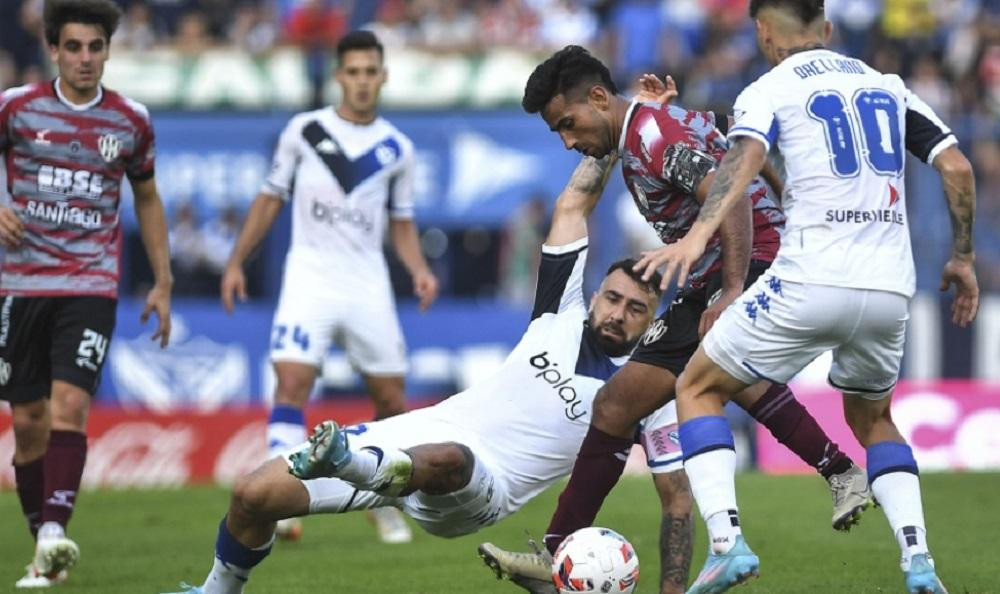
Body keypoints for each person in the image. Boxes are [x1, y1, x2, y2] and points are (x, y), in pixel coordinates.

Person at [170, 154, 690, 594]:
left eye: (636, 309)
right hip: (418, 432)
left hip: (479, 488)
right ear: (595, 296)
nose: (619, 313)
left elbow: (677, 501)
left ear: (651, 320)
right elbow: (574, 204)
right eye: (614, 299)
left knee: (451, 459)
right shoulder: (560, 311)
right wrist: (615, 138)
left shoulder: (645, 390)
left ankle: (349, 463)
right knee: (253, 495)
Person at [482, 45, 869, 594]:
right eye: (557, 133)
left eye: (568, 124)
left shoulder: (651, 137)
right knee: (721, 382)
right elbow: (739, 141)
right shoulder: (654, 123)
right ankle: (840, 473)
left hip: (741, 267)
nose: (569, 142)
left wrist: (733, 288)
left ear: (599, 98)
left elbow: (728, 197)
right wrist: (791, 207)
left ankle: (564, 552)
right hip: (743, 262)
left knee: (619, 404)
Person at [639, 1, 978, 593]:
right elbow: (956, 166)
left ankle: (727, 545)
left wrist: (697, 234)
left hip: (810, 278)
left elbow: (744, 157)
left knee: (698, 385)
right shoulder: (888, 86)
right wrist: (964, 256)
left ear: (764, 32)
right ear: (825, 29)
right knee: (874, 418)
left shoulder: (767, 88)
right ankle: (919, 562)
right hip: (889, 290)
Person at [219, 30, 438, 544]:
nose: (362, 81)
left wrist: (418, 268)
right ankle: (280, 504)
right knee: (292, 383)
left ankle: (381, 500)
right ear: (339, 75)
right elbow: (270, 198)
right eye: (353, 72)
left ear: (383, 77)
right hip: (309, 276)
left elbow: (401, 222)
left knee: (390, 400)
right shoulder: (304, 130)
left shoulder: (396, 149)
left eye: (370, 72)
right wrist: (236, 261)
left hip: (367, 282)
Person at [0, 0, 173, 588]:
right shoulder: (16, 110)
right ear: (52, 49)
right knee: (27, 422)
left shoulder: (130, 120)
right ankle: (44, 546)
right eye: (73, 47)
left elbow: (147, 198)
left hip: (90, 284)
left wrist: (163, 281)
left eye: (95, 47)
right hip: (21, 286)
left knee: (69, 406)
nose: (85, 59)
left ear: (107, 49)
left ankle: (53, 535)